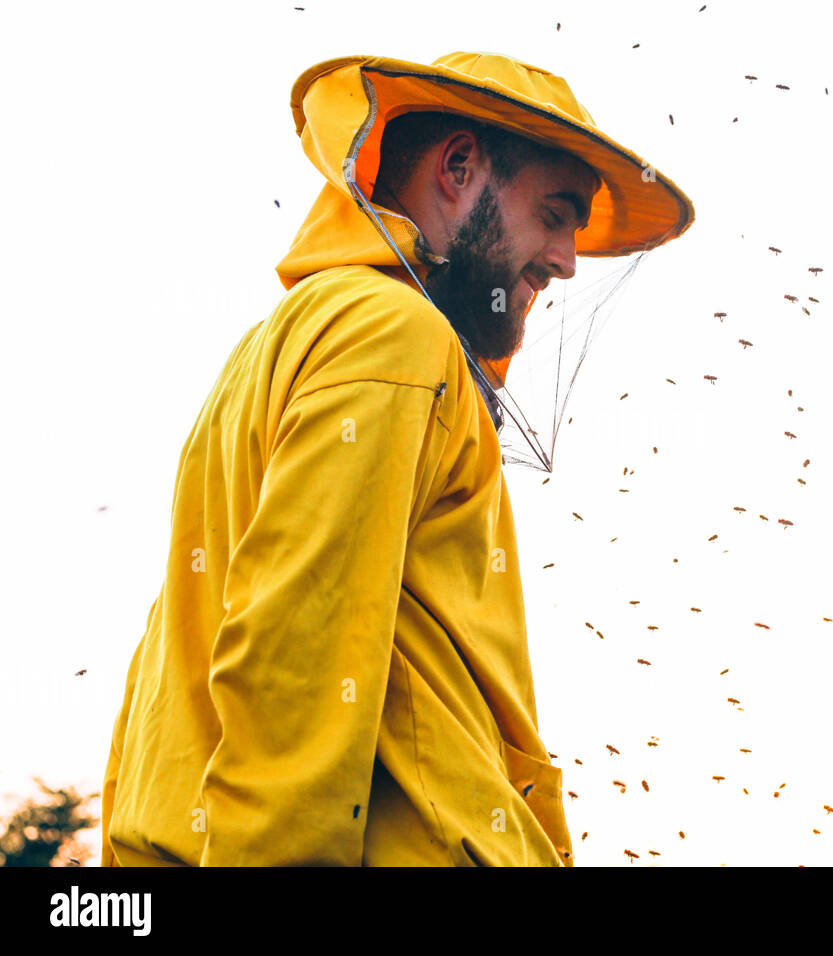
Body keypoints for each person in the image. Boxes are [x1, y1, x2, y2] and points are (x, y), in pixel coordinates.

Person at [99, 51, 694, 866]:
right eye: (557, 213)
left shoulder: (280, 346)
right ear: (458, 167)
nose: (566, 259)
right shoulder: (393, 335)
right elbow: (296, 661)